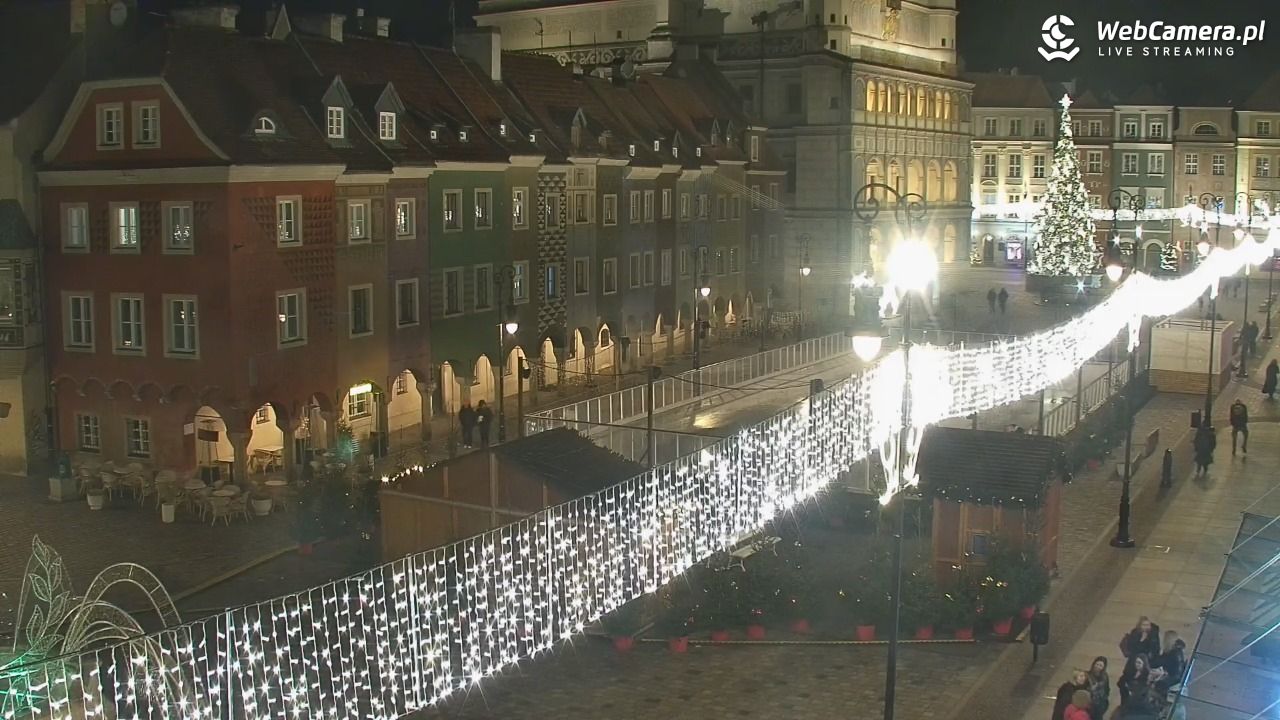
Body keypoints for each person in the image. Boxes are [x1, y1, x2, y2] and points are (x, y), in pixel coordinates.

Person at [1087, 656, 1111, 720]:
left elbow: (1107, 689)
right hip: (1090, 705)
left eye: (1100, 665)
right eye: (1097, 664)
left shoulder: (1105, 676)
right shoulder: (1087, 676)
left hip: (1100, 705)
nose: (1098, 667)